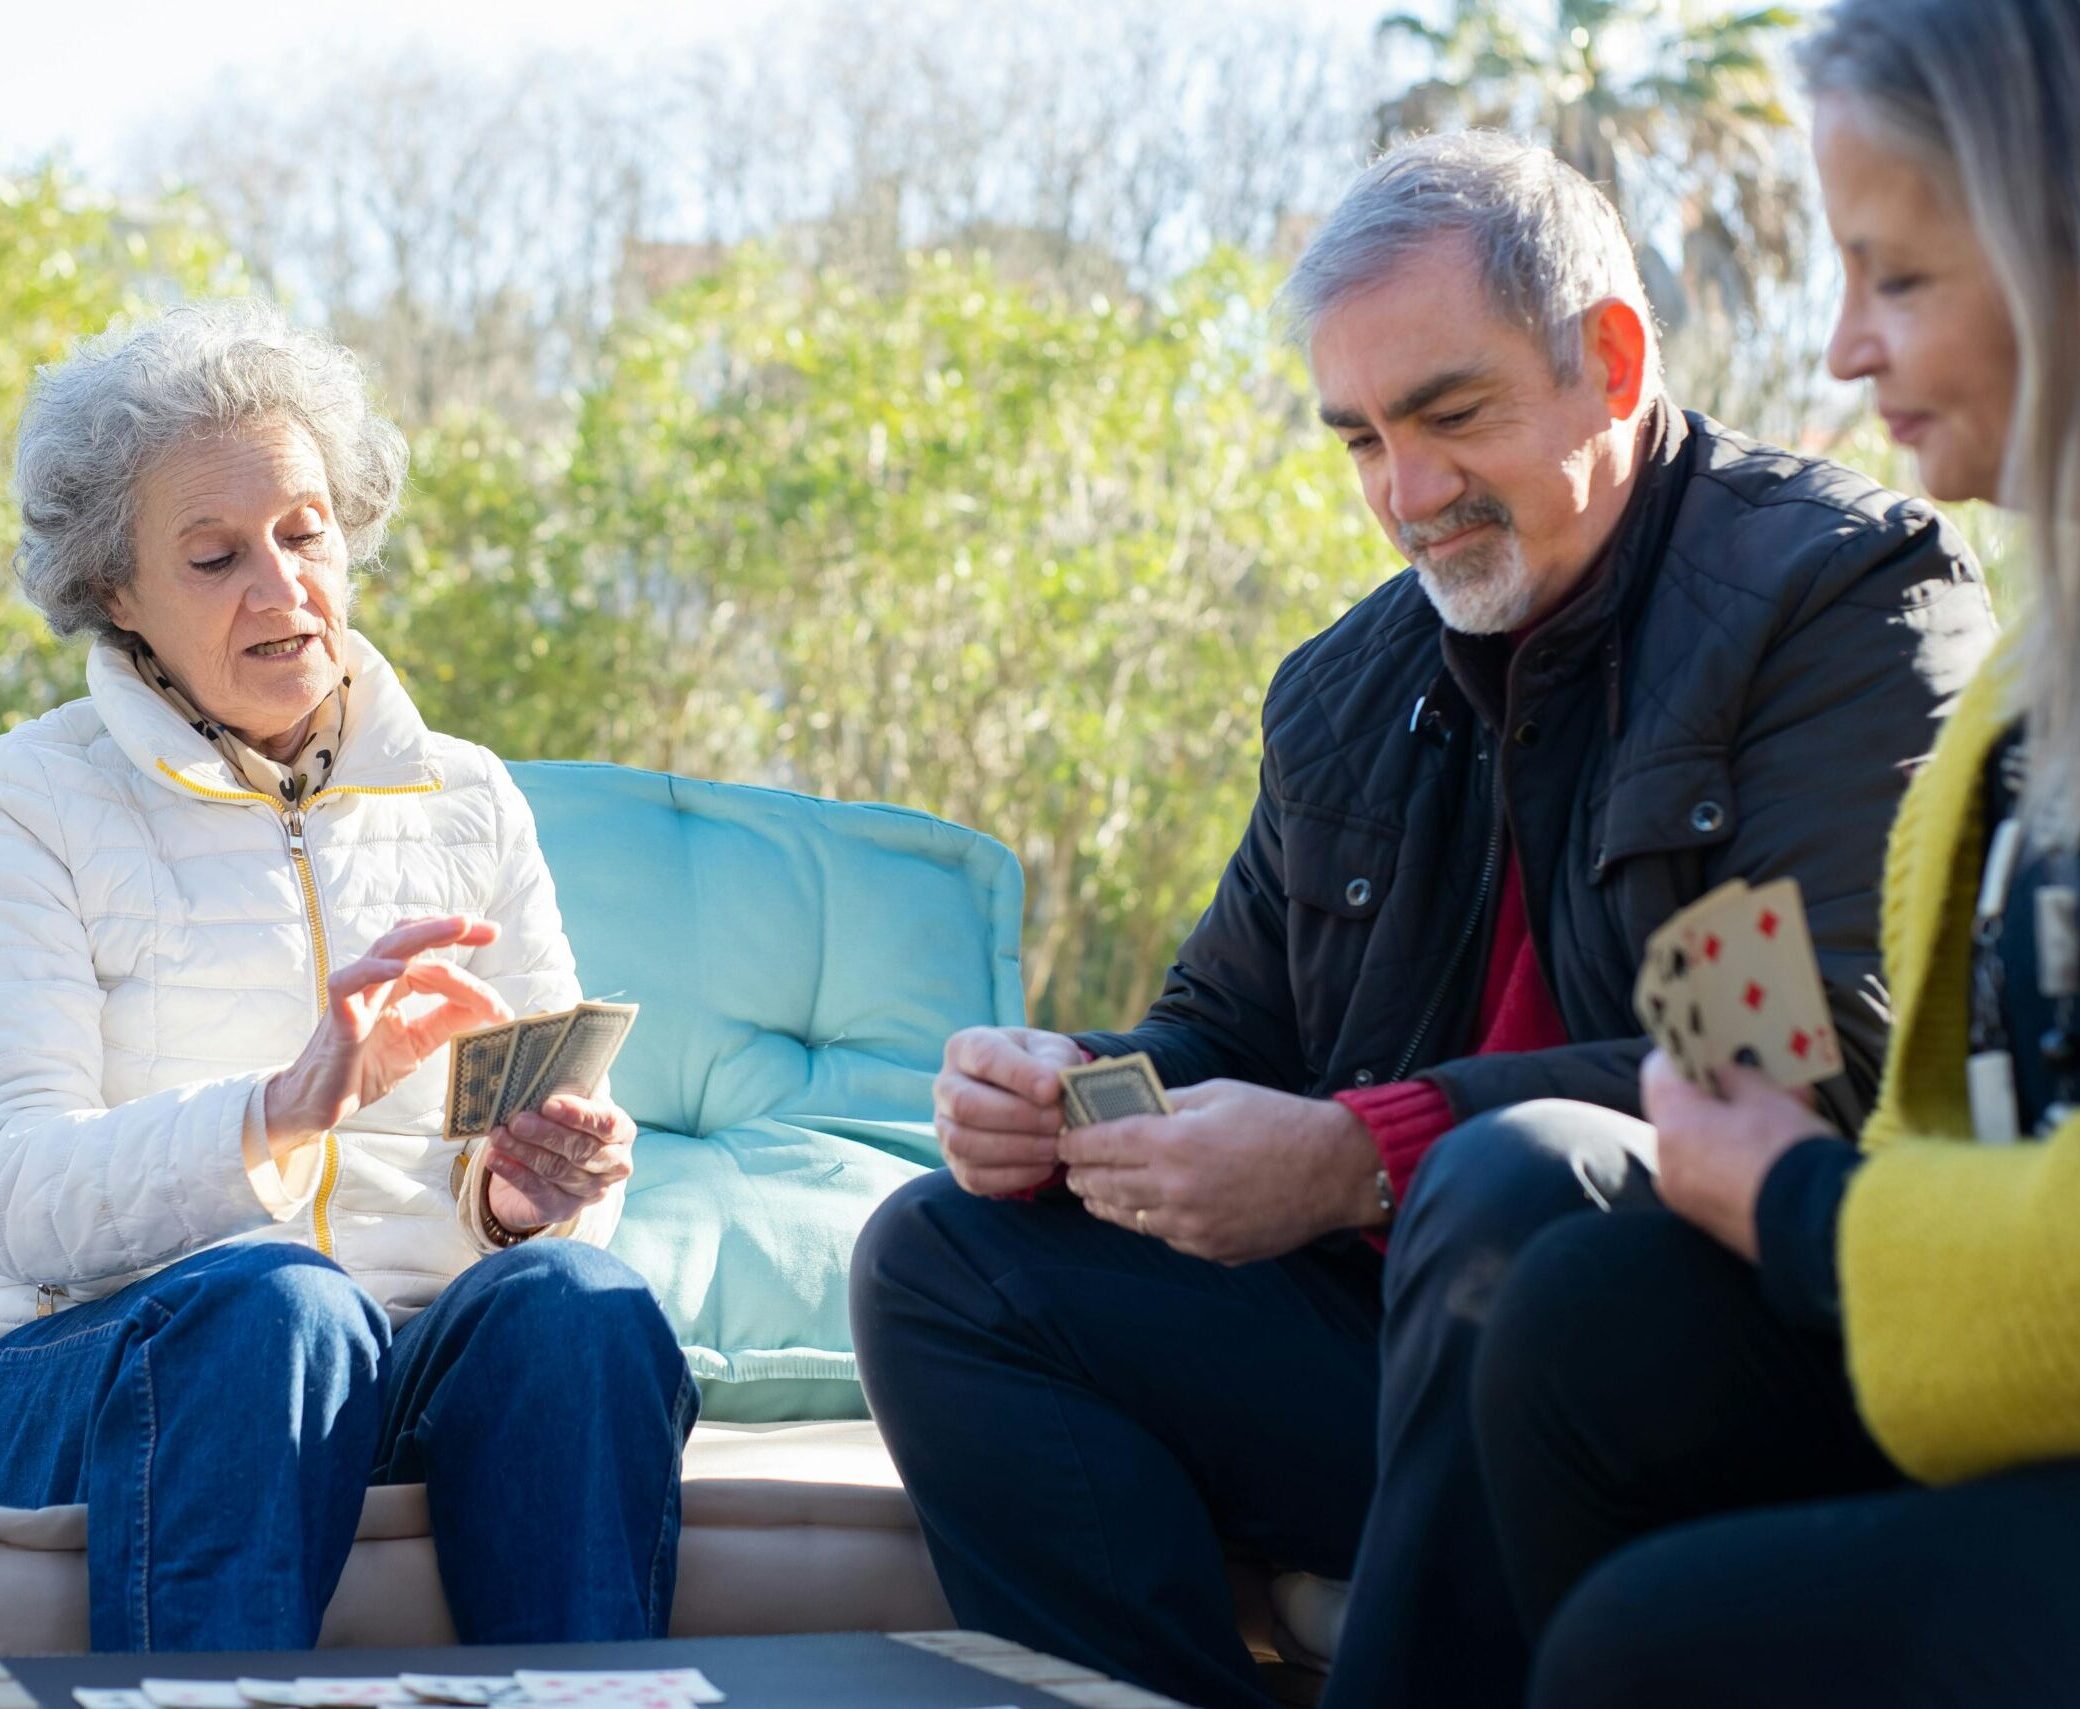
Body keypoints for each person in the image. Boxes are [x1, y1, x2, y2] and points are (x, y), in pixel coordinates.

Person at [851, 131, 1999, 1709]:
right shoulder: (1344, 690)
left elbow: (1809, 1062)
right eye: (1362, 441)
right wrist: (1069, 1092)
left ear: (1610, 358)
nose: (1408, 493)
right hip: (1406, 1357)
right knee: (942, 1250)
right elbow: (1226, 1029)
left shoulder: (1836, 595)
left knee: (1502, 1179)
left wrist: (1357, 1149)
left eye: (1451, 416)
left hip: (1708, 1349)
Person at [1469, 4, 2080, 1705]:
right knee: (1583, 1318)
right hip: (1949, 1351)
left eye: (1899, 280)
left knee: (1634, 1650)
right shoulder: (2032, 687)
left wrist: (1798, 1200)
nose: (1841, 350)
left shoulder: (1840, 586)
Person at [0, 299, 698, 1651]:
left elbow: (554, 1179)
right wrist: (286, 1106)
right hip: (109, 1356)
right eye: (213, 556)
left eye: (305, 531)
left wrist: (525, 1191)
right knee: (279, 1298)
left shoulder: (469, 798)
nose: (282, 586)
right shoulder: (29, 802)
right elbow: (23, 1205)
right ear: (118, 593)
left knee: (579, 1304)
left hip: (413, 1350)